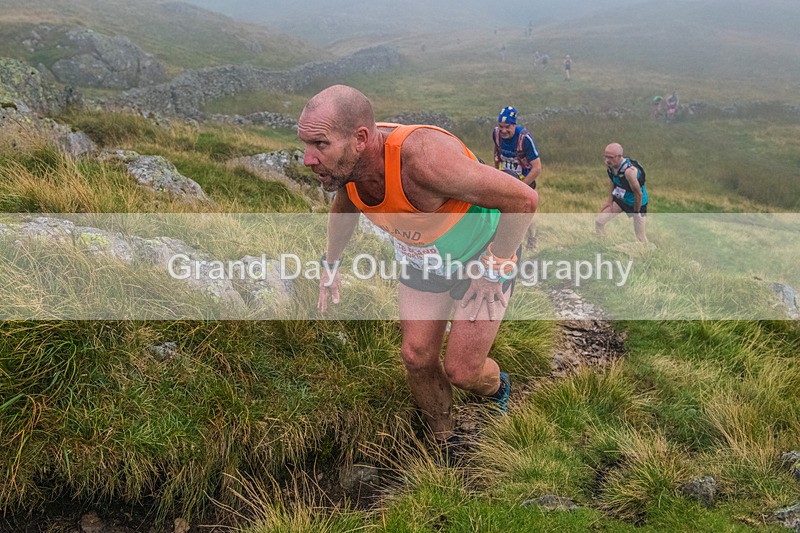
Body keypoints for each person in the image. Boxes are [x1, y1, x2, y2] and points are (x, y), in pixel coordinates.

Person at [298, 85, 537, 453]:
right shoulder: (350, 168)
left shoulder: (424, 160)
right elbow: (347, 206)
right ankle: (444, 441)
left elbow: (523, 199)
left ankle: (499, 387)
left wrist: (495, 265)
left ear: (360, 138)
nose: (307, 159)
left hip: (482, 257)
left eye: (320, 145)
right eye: (305, 144)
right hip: (423, 262)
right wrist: (331, 263)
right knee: (416, 356)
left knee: (463, 371)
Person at [492, 106, 543, 249]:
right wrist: (496, 173)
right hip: (505, 179)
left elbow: (537, 168)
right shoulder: (496, 134)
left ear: (514, 125)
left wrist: (522, 186)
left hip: (524, 181)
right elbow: (497, 153)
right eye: (500, 126)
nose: (503, 130)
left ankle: (532, 241)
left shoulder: (524, 138)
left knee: (526, 214)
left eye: (507, 127)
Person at [595, 143, 648, 243]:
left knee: (640, 237)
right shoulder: (611, 165)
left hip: (637, 203)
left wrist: (636, 212)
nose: (607, 160)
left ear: (619, 156)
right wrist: (610, 200)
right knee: (599, 222)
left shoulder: (629, 172)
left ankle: (648, 254)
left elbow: (639, 194)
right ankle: (602, 245)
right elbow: (613, 180)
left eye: (610, 157)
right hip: (621, 199)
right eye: (605, 156)